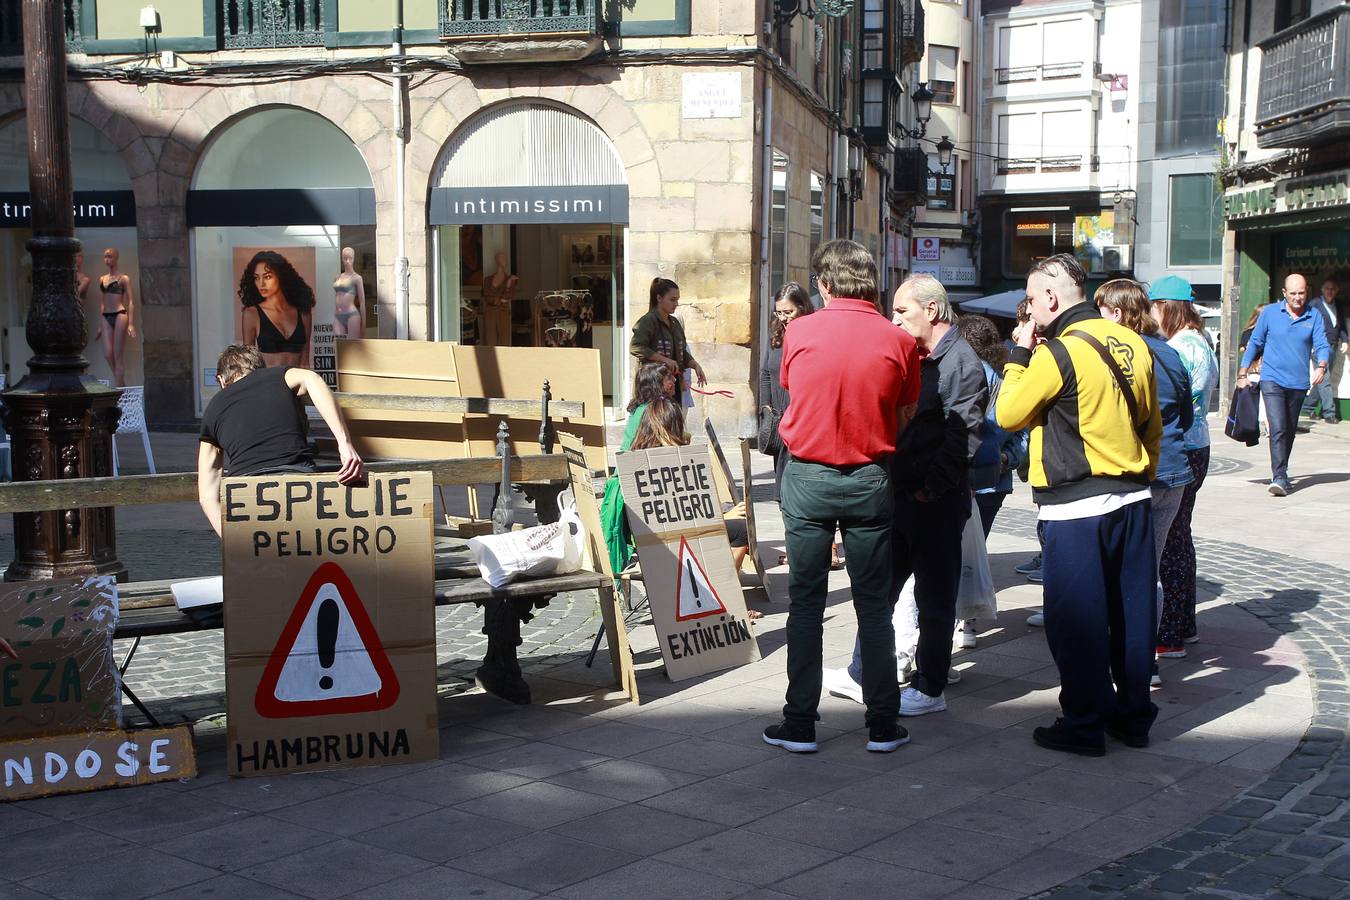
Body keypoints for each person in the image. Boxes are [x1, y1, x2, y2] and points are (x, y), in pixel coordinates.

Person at [996, 253, 1161, 756]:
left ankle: (1084, 722)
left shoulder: (1058, 351)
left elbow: (1007, 413)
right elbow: (1151, 426)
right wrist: (1140, 473)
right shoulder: (1134, 341)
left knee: (1077, 621)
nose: (1029, 309)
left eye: (1030, 298)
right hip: (1132, 498)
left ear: (1050, 297)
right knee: (1131, 615)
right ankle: (1132, 716)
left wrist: (1017, 354)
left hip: (1075, 505)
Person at [763, 239, 921, 755]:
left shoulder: (801, 331)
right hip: (870, 475)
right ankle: (881, 724)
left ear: (824, 285)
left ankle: (800, 723)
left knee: (806, 604)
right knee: (873, 606)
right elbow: (904, 413)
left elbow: (793, 389)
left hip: (809, 476)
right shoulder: (897, 341)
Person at [825, 274, 987, 716]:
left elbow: (963, 438)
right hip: (901, 494)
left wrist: (926, 491)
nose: (893, 318)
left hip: (932, 502)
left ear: (931, 311)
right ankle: (863, 671)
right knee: (880, 590)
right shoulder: (915, 355)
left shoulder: (961, 363)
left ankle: (930, 687)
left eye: (901, 310)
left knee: (934, 599)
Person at [1097, 279, 1194, 687]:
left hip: (1138, 472)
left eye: (1101, 311)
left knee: (1123, 570)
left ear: (1118, 314)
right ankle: (1145, 656)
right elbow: (1188, 415)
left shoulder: (1121, 354)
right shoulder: (1170, 352)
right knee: (1149, 566)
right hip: (1173, 471)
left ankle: (1129, 656)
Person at [197, 345, 364, 537]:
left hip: (247, 492)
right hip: (298, 481)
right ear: (260, 368)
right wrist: (344, 443)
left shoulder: (213, 408)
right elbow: (312, 379)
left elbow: (207, 495)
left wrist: (231, 540)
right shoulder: (278, 376)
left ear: (221, 379)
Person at [1150, 276, 1220, 658]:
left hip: (1184, 448)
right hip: (1195, 446)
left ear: (1167, 306)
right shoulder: (1196, 342)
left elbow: (1179, 406)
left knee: (1173, 541)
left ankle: (1172, 630)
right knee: (1180, 536)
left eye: (1154, 306)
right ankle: (1183, 623)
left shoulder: (1182, 347)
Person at [626, 397, 755, 575]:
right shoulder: (674, 460)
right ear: (674, 425)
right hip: (675, 537)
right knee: (742, 529)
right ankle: (723, 588)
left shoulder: (635, 458)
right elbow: (684, 518)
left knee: (729, 515)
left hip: (649, 539)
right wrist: (723, 518)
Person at [760, 282, 838, 569]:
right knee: (783, 490)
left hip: (807, 421)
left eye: (789, 311)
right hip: (780, 420)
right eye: (779, 312)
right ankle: (794, 547)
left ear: (803, 307)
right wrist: (766, 409)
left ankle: (828, 549)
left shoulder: (815, 332)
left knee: (812, 487)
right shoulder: (776, 337)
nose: (784, 317)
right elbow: (766, 374)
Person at [1238, 274, 1331, 496]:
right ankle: (1278, 475)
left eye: (1301, 293)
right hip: (1272, 379)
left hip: (1298, 382)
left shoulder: (1314, 315)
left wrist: (1322, 366)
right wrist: (1242, 372)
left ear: (1306, 291)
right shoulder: (1270, 313)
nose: (1298, 298)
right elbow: (1255, 343)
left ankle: (1283, 470)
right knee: (1278, 426)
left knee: (1288, 429)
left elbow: (1322, 344)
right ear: (1284, 293)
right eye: (1293, 294)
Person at [601, 362, 682, 579]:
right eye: (668, 378)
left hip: (624, 483)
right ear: (657, 384)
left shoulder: (639, 409)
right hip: (634, 488)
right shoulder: (655, 411)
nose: (673, 381)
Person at [959, 313, 1029, 538]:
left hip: (961, 479)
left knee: (953, 554)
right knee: (976, 548)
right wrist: (1008, 458)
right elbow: (1023, 433)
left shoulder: (958, 374)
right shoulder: (1006, 379)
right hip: (995, 482)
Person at [630, 278, 707, 405]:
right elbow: (635, 347)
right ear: (659, 298)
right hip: (652, 385)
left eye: (677, 299)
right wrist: (664, 360)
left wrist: (695, 365)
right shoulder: (647, 321)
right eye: (672, 299)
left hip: (672, 384)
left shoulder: (675, 323)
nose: (676, 303)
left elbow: (681, 351)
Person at [240, 250, 315, 370]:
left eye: (267, 276)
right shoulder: (252, 314)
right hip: (267, 384)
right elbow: (247, 362)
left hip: (296, 384)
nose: (261, 283)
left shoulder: (303, 312)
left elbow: (305, 356)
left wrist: (306, 386)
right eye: (257, 278)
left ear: (281, 276)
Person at [95, 247, 136, 386]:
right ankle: (122, 386)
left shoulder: (124, 278)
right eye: (105, 256)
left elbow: (130, 301)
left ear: (116, 258)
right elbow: (102, 302)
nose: (107, 259)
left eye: (110, 256)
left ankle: (119, 393)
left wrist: (131, 323)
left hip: (120, 314)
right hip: (106, 315)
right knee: (108, 354)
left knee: (118, 355)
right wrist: (100, 325)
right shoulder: (102, 279)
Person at [1303, 277, 1342, 423]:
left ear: (1336, 291)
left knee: (1321, 380)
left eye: (1333, 289)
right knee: (1325, 381)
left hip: (1332, 347)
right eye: (1327, 289)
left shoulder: (1337, 304)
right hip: (1318, 348)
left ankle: (1308, 406)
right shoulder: (1315, 305)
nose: (1330, 292)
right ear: (1322, 290)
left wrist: (1344, 339)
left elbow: (1341, 323)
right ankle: (1329, 413)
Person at [480, 251, 518, 347]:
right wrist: (500, 301)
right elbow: (487, 297)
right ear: (496, 260)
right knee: (490, 341)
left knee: (504, 341)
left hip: (503, 313)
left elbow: (507, 297)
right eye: (502, 258)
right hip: (490, 313)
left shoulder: (510, 279)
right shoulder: (488, 280)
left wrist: (508, 284)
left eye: (505, 259)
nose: (505, 261)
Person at [332, 247, 365, 339]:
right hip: (338, 315)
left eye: (350, 258)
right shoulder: (337, 278)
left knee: (353, 347)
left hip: (352, 315)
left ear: (354, 259)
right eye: (345, 258)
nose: (347, 261)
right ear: (342, 259)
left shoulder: (357, 278)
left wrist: (363, 326)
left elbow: (362, 303)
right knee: (340, 347)